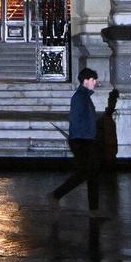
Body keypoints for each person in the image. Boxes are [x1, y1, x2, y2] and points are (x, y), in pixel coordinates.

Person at [49, 67, 107, 218]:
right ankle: (56, 195)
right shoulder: (80, 97)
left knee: (91, 173)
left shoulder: (84, 96)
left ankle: (94, 209)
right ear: (86, 81)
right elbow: (75, 119)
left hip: (86, 140)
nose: (95, 82)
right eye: (93, 80)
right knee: (84, 173)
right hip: (82, 141)